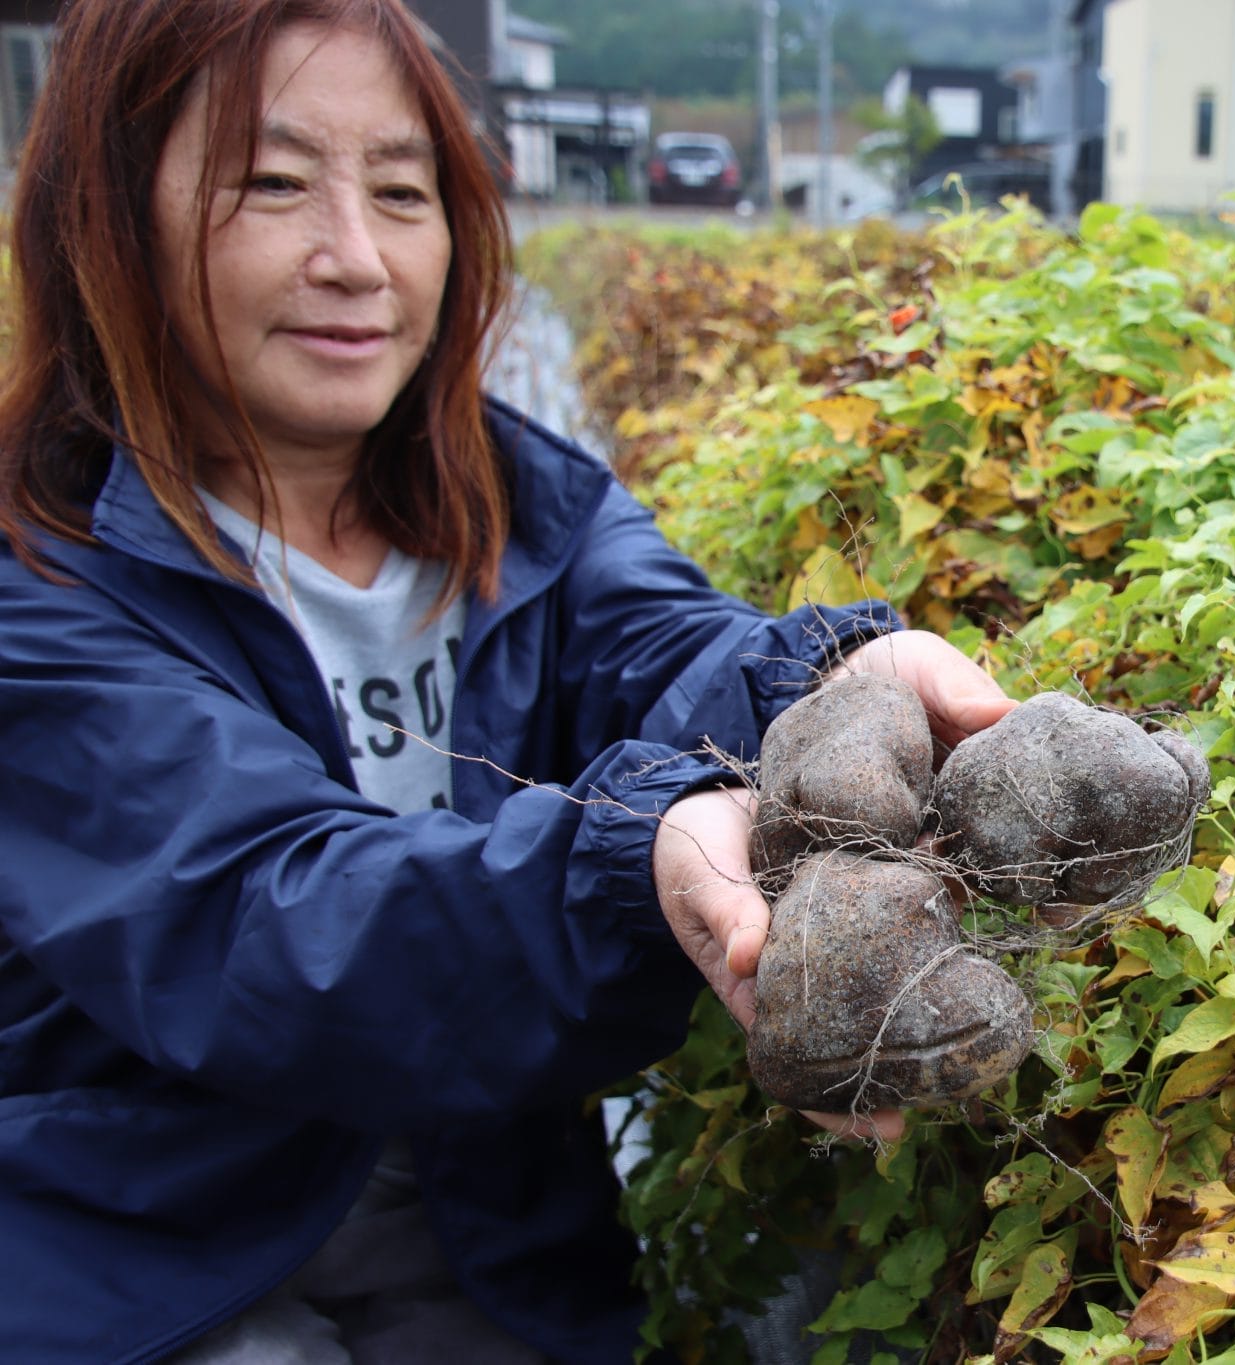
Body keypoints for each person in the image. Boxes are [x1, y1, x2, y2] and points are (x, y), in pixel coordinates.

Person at [0, 1, 1013, 1361]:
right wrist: (628, 866)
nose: (356, 258)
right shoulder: (42, 582)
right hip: (154, 1237)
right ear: (106, 219)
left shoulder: (523, 501)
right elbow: (272, 921)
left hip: (483, 1208)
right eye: (276, 183)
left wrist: (834, 686)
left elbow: (668, 646)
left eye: (403, 192)